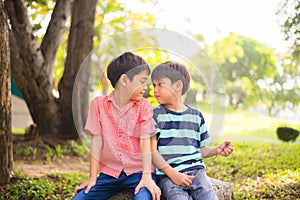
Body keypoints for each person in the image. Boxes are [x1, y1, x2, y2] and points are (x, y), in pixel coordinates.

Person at [72, 52, 161, 200]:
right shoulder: (98, 105)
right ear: (124, 80)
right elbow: (96, 141)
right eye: (142, 82)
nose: (145, 87)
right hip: (110, 174)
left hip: (138, 172)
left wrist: (146, 176)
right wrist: (92, 177)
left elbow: (145, 141)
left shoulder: (144, 106)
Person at [150, 61, 234, 200]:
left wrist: (215, 151)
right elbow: (152, 152)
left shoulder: (196, 116)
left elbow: (199, 149)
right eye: (154, 85)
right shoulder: (155, 114)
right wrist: (172, 174)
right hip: (168, 176)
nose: (155, 90)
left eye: (160, 84)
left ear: (178, 85)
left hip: (197, 174)